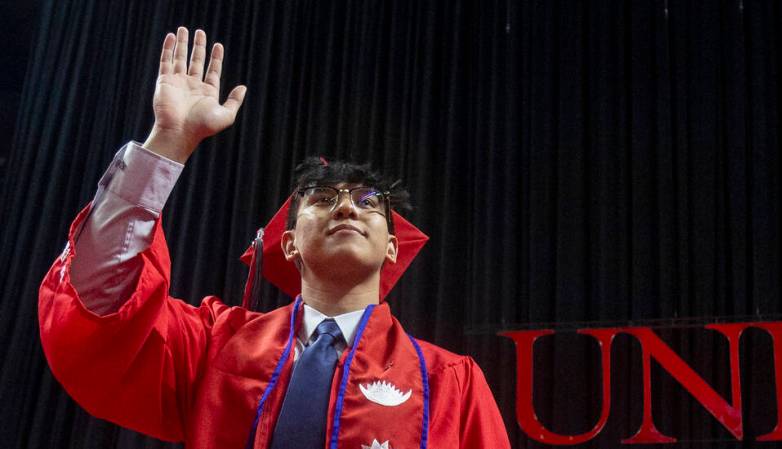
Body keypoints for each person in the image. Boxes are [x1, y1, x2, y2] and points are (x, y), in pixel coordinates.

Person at [37, 27, 510, 449]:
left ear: (391, 245)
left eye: (368, 202)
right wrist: (168, 143)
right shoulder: (213, 346)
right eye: (322, 199)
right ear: (288, 244)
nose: (347, 206)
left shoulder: (450, 384)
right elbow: (99, 302)